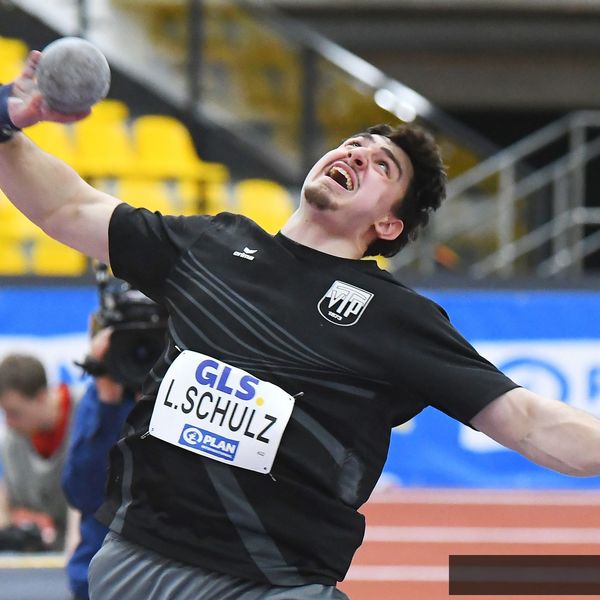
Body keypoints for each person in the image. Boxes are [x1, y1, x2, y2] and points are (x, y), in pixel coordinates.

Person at [1, 51, 600, 599]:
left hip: (270, 584)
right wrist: (6, 119)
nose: (357, 154)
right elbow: (67, 207)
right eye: (353, 144)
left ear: (389, 225)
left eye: (383, 166)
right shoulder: (211, 245)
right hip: (136, 564)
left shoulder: (395, 317)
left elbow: (527, 421)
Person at [62, 326, 135, 600]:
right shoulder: (99, 397)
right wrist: (108, 401)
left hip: (169, 578)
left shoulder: (184, 395)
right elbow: (83, 495)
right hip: (98, 579)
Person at [0, 352, 81, 551]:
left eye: (14, 412)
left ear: (42, 396)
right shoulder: (13, 439)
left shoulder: (89, 414)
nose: (8, 422)